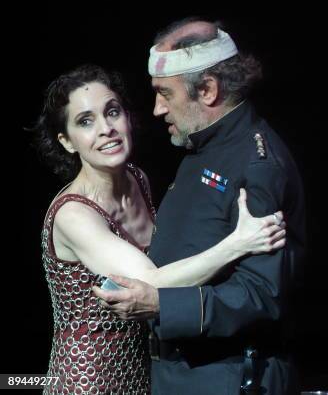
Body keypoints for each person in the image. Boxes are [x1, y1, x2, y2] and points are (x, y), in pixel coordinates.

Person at [34, 64, 288, 394]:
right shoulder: (73, 215)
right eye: (86, 121)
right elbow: (151, 283)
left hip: (144, 370)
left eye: (112, 112)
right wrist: (237, 244)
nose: (106, 128)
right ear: (67, 142)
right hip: (89, 377)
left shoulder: (138, 179)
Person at [94, 18, 306, 394]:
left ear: (207, 90)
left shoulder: (257, 164)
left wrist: (162, 305)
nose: (157, 109)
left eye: (166, 94)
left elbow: (260, 294)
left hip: (225, 376)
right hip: (181, 373)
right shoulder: (204, 145)